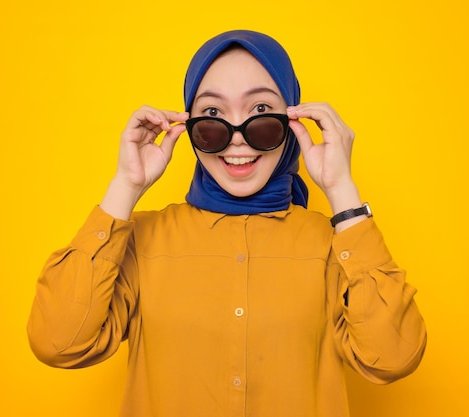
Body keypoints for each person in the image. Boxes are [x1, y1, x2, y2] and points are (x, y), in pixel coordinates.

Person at [27, 30, 427, 417]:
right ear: (188, 125)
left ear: (294, 121)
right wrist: (125, 187)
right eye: (213, 114)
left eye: (260, 112)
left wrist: (342, 190)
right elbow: (58, 342)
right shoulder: (142, 241)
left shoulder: (335, 245)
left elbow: (392, 357)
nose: (237, 138)